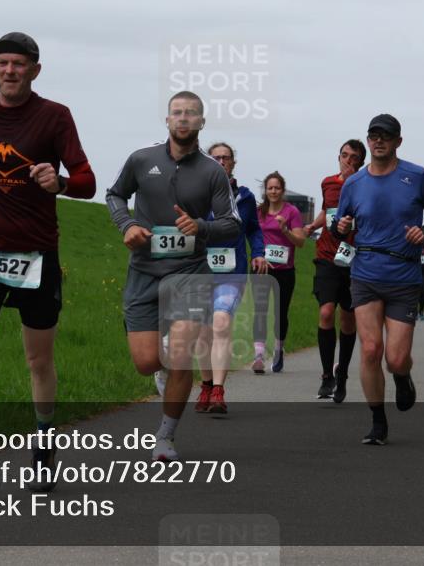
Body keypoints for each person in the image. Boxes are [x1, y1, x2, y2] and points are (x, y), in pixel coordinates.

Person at [0, 32, 96, 493]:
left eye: (19, 64)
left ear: (35, 70)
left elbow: (87, 180)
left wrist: (60, 181)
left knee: (38, 360)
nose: (10, 71)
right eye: (3, 63)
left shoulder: (55, 117)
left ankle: (45, 442)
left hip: (36, 254)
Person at [106, 91, 240, 461]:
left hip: (190, 272)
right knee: (147, 362)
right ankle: (165, 372)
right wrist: (127, 224)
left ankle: (165, 436)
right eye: (177, 113)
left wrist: (200, 226)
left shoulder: (213, 171)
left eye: (191, 114)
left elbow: (232, 224)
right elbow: (115, 195)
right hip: (145, 271)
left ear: (201, 122)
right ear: (167, 120)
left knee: (181, 352)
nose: (183, 119)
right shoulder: (141, 159)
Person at [332, 113, 424, 446]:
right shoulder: (353, 183)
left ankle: (403, 376)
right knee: (369, 350)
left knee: (395, 358)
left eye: (385, 136)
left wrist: (423, 231)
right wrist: (342, 226)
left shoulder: (416, 176)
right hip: (365, 271)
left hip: (404, 273)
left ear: (398, 142)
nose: (378, 141)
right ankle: (378, 421)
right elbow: (343, 220)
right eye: (373, 135)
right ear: (368, 141)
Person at [194, 143, 267, 414]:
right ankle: (205, 383)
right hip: (200, 271)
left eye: (226, 158)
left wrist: (258, 253)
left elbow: (254, 231)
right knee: (202, 333)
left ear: (233, 163)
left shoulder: (245, 197)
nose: (222, 161)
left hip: (232, 273)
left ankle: (218, 390)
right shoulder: (196, 194)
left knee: (221, 322)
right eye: (216, 158)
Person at [302, 140, 365, 401]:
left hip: (354, 259)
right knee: (326, 312)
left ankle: (343, 374)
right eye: (344, 156)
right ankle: (327, 374)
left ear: (361, 163)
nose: (347, 161)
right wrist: (311, 226)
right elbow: (327, 211)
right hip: (327, 256)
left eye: (353, 158)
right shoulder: (328, 182)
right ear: (338, 157)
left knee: (348, 319)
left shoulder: (366, 185)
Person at [252, 172, 306, 377]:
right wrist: (256, 255)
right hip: (262, 268)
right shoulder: (258, 212)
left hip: (285, 271)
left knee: (280, 313)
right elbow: (251, 235)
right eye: (270, 188)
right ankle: (258, 356)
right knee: (260, 310)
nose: (273, 191)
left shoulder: (291, 212)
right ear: (265, 191)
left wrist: (285, 230)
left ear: (282, 190)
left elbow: (300, 242)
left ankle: (278, 350)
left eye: (277, 188)